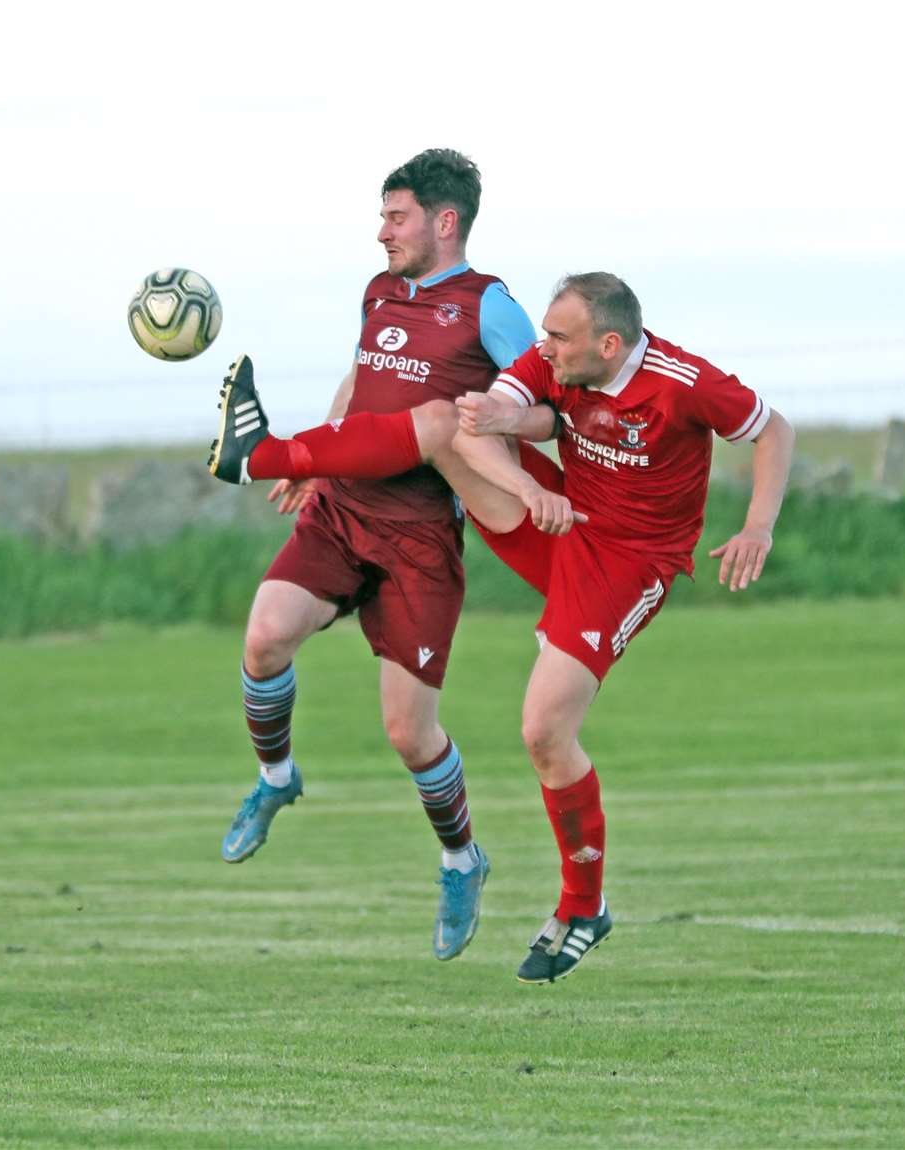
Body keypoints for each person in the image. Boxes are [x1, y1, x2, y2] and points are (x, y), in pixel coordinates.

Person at [207, 148, 547, 962]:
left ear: (445, 221)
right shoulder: (381, 292)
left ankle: (462, 858)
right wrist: (324, 456)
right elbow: (362, 382)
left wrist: (504, 436)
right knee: (264, 636)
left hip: (422, 539)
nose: (382, 233)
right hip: (343, 509)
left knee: (408, 732)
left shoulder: (489, 306)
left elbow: (548, 402)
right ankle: (278, 778)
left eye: (395, 218)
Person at [432, 271, 796, 982]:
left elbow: (772, 430)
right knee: (443, 428)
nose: (545, 348)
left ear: (609, 342)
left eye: (559, 337)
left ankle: (583, 907)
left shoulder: (682, 381)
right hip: (560, 516)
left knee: (543, 731)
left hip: (630, 563)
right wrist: (527, 482)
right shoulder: (555, 359)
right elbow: (473, 428)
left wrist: (758, 526)